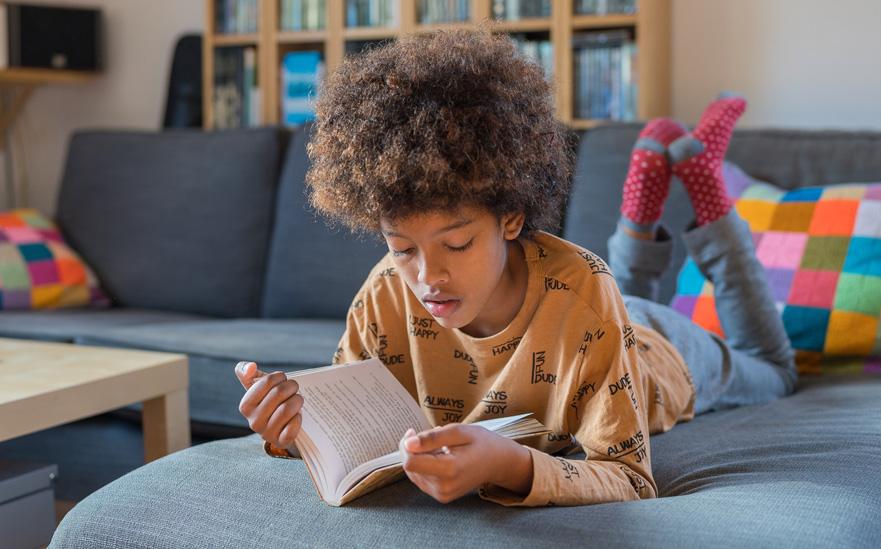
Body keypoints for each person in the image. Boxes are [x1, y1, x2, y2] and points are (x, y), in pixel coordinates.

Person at [235, 26, 797, 507]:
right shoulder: (386, 291)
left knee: (773, 367)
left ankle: (713, 202)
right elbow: (358, 435)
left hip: (656, 351)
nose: (427, 276)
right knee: (608, 292)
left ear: (510, 215)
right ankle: (639, 214)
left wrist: (510, 466)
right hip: (590, 319)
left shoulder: (582, 289)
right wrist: (292, 429)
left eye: (456, 245)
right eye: (402, 247)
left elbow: (629, 477)